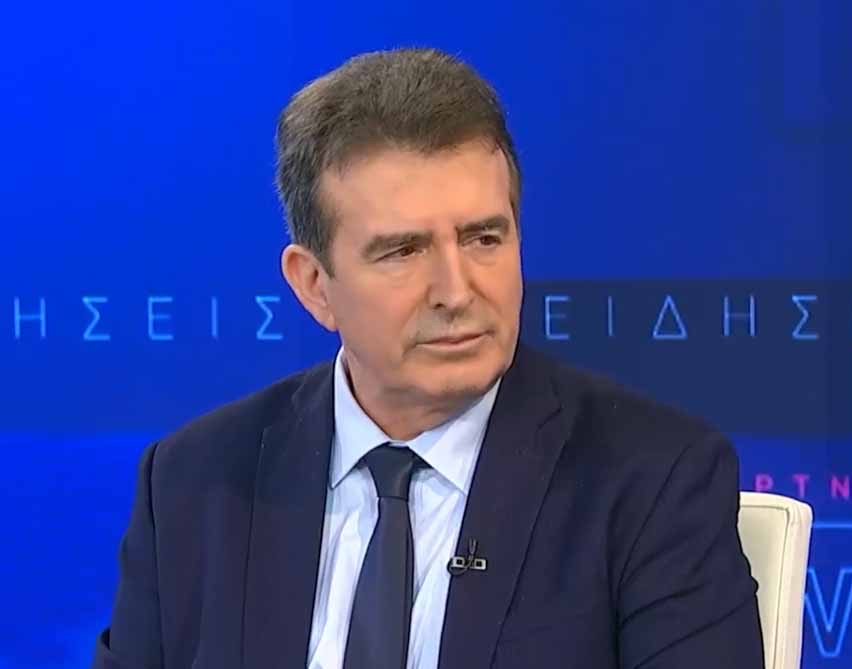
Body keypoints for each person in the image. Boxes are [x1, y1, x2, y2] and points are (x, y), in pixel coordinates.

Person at [93, 47, 764, 669]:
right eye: (403, 251)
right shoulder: (194, 483)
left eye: (483, 239)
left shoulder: (650, 480)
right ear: (314, 285)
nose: (456, 291)